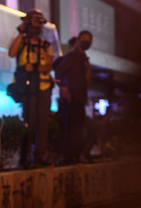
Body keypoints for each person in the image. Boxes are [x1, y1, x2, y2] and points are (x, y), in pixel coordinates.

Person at [8, 9, 54, 167]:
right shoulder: (21, 43)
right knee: (29, 122)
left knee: (42, 124)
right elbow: (12, 53)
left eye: (37, 23)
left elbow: (48, 66)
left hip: (43, 87)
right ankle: (25, 156)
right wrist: (21, 33)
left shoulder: (46, 45)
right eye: (31, 22)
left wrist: (34, 68)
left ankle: (40, 156)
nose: (34, 26)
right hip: (27, 89)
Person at [54, 30, 93, 165]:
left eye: (88, 40)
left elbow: (88, 80)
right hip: (71, 97)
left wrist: (87, 67)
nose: (86, 43)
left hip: (81, 98)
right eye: (84, 39)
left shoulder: (84, 59)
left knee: (78, 129)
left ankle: (76, 156)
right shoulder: (72, 56)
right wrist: (64, 89)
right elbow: (59, 72)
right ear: (78, 40)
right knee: (70, 129)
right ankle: (68, 157)